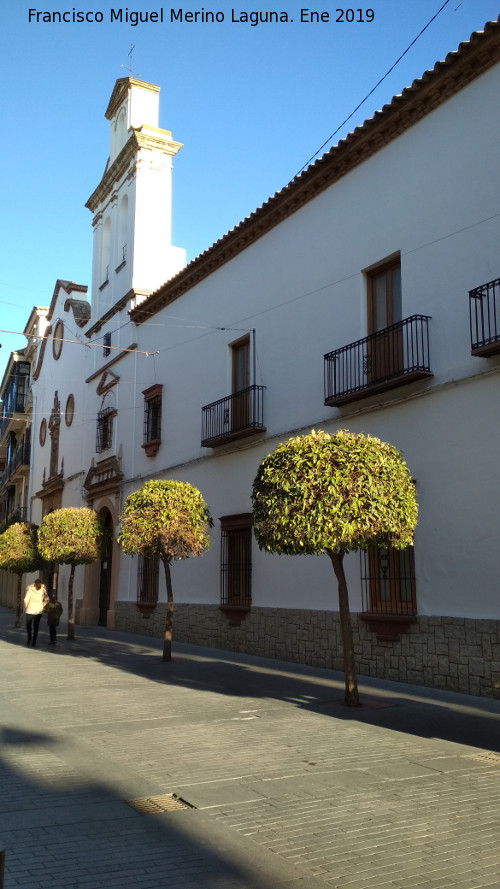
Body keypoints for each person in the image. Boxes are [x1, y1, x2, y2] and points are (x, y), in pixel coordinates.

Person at [24, 579, 49, 647]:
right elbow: (46, 599)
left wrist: (26, 606)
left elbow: (26, 599)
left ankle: (29, 639)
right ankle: (34, 641)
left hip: (30, 610)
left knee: (29, 625)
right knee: (36, 626)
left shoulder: (30, 590)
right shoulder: (43, 590)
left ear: (34, 584)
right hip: (39, 610)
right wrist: (43, 605)